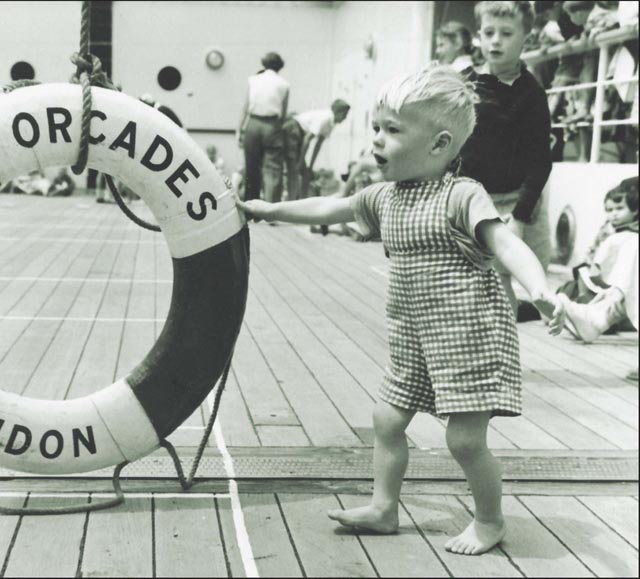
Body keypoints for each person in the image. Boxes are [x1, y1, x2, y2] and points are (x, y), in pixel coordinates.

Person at [237, 64, 565, 556]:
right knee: (386, 421)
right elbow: (332, 206)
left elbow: (504, 243)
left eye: (392, 130)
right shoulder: (385, 197)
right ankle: (384, 506)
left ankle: (490, 520)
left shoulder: (461, 195)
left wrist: (539, 287)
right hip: (412, 334)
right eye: (376, 127)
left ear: (438, 145)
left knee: (465, 442)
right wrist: (270, 209)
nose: (376, 140)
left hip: (467, 336)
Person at [460, 1, 553, 320]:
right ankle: (478, 356)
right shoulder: (462, 84)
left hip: (513, 203)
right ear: (479, 36)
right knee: (475, 284)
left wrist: (521, 215)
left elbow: (540, 160)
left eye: (506, 33)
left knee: (510, 281)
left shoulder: (531, 94)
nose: (495, 40)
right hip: (469, 199)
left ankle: (501, 360)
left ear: (526, 38)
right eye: (488, 32)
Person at [559, 176, 638, 342]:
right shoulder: (631, 186)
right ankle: (600, 314)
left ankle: (599, 316)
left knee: (633, 242)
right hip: (610, 282)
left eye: (619, 208)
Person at [237, 52, 290, 202]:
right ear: (280, 66)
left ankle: (250, 205)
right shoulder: (284, 84)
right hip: (272, 124)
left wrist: (239, 129)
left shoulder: (253, 80)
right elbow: (284, 113)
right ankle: (270, 208)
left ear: (264, 64)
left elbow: (245, 107)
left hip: (253, 123)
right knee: (272, 168)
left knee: (251, 167)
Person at [282, 99, 351, 202]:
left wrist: (310, 166)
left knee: (305, 175)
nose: (345, 118)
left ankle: (302, 203)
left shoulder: (331, 124)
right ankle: (290, 204)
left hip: (299, 136)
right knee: (295, 171)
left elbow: (318, 145)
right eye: (344, 114)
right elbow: (307, 140)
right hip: (293, 130)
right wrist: (301, 162)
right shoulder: (325, 118)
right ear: (338, 112)